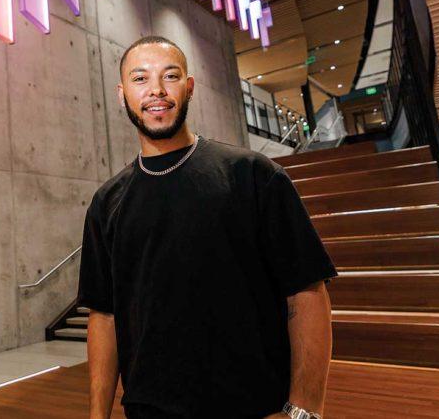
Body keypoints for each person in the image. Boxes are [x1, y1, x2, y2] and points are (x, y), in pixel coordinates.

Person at [79, 36, 337, 418]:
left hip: (250, 406)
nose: (156, 91)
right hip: (149, 408)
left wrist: (305, 410)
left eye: (170, 76)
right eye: (140, 79)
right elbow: (105, 315)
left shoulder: (252, 175)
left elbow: (306, 292)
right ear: (122, 94)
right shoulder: (107, 202)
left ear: (189, 87)